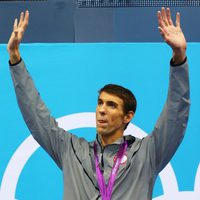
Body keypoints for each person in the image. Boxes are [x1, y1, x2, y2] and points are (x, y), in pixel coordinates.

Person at [8, 8, 190, 200]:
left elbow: (176, 115)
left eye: (111, 105)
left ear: (127, 116)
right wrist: (14, 57)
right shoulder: (71, 150)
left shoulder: (147, 154)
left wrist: (179, 57)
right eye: (100, 103)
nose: (102, 110)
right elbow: (36, 115)